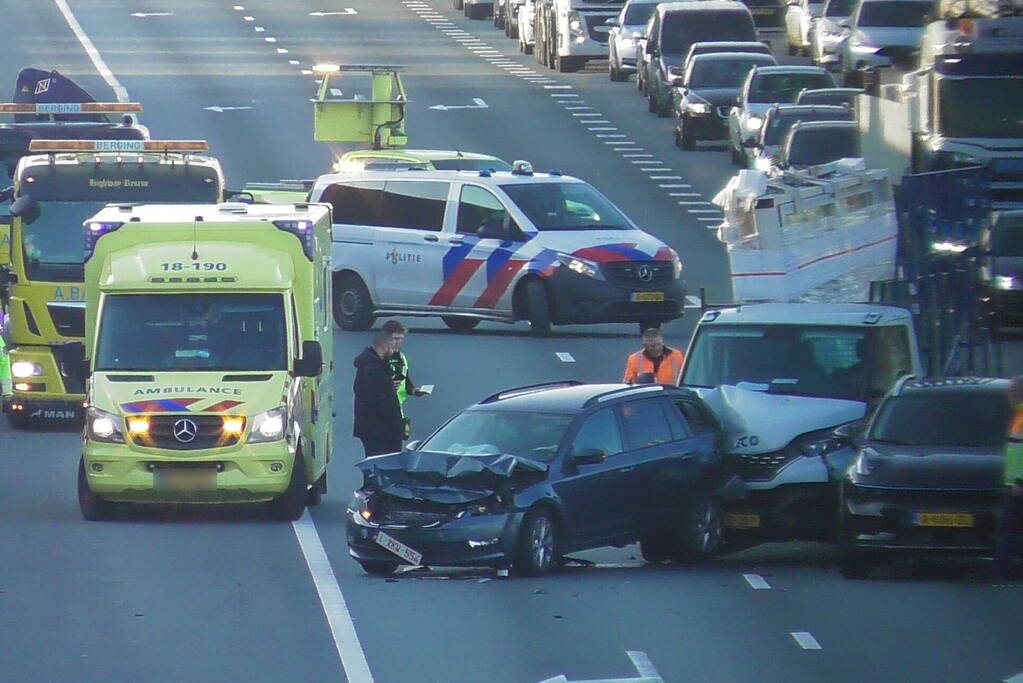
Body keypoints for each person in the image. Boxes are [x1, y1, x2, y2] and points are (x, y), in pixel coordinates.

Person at [987, 376, 1023, 580]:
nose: (1008, 395)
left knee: (1008, 530)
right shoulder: (1018, 414)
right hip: (1013, 485)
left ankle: (1000, 570)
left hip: (1019, 486)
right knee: (1009, 529)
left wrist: (1019, 482)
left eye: (1012, 391)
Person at [352, 330, 404, 457]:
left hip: (374, 430)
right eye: (392, 348)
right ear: (383, 347)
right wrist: (397, 428)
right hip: (380, 432)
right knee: (380, 468)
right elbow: (380, 402)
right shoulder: (373, 369)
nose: (394, 352)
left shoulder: (372, 365)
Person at [380, 320, 427, 439]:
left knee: (396, 449)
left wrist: (415, 391)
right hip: (379, 412)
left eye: (401, 339)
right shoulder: (376, 359)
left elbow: (406, 382)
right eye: (395, 339)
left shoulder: (401, 357)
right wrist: (387, 386)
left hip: (396, 410)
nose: (398, 343)